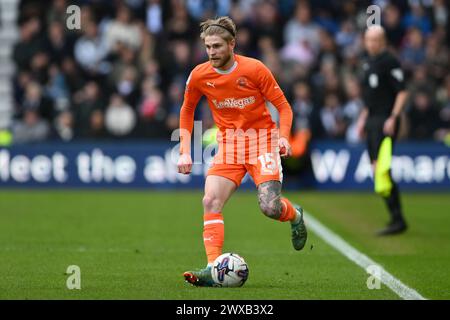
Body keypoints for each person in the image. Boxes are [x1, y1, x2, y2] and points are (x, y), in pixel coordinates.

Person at [177, 16, 307, 287]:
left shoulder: (255, 69)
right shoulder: (200, 75)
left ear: (232, 44)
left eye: (217, 46)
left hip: (262, 141)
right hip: (230, 145)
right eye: (208, 47)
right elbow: (187, 109)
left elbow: (283, 106)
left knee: (269, 207)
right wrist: (184, 150)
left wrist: (283, 138)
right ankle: (213, 269)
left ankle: (294, 214)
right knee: (210, 201)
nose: (211, 52)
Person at [356, 25, 408, 236]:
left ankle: (398, 219)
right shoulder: (368, 63)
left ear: (383, 41)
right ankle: (396, 218)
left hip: (385, 121)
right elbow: (370, 98)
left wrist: (393, 117)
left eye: (376, 40)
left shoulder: (390, 61)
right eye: (369, 40)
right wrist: (362, 119)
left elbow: (402, 92)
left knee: (382, 170)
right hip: (372, 120)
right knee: (376, 169)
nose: (372, 44)